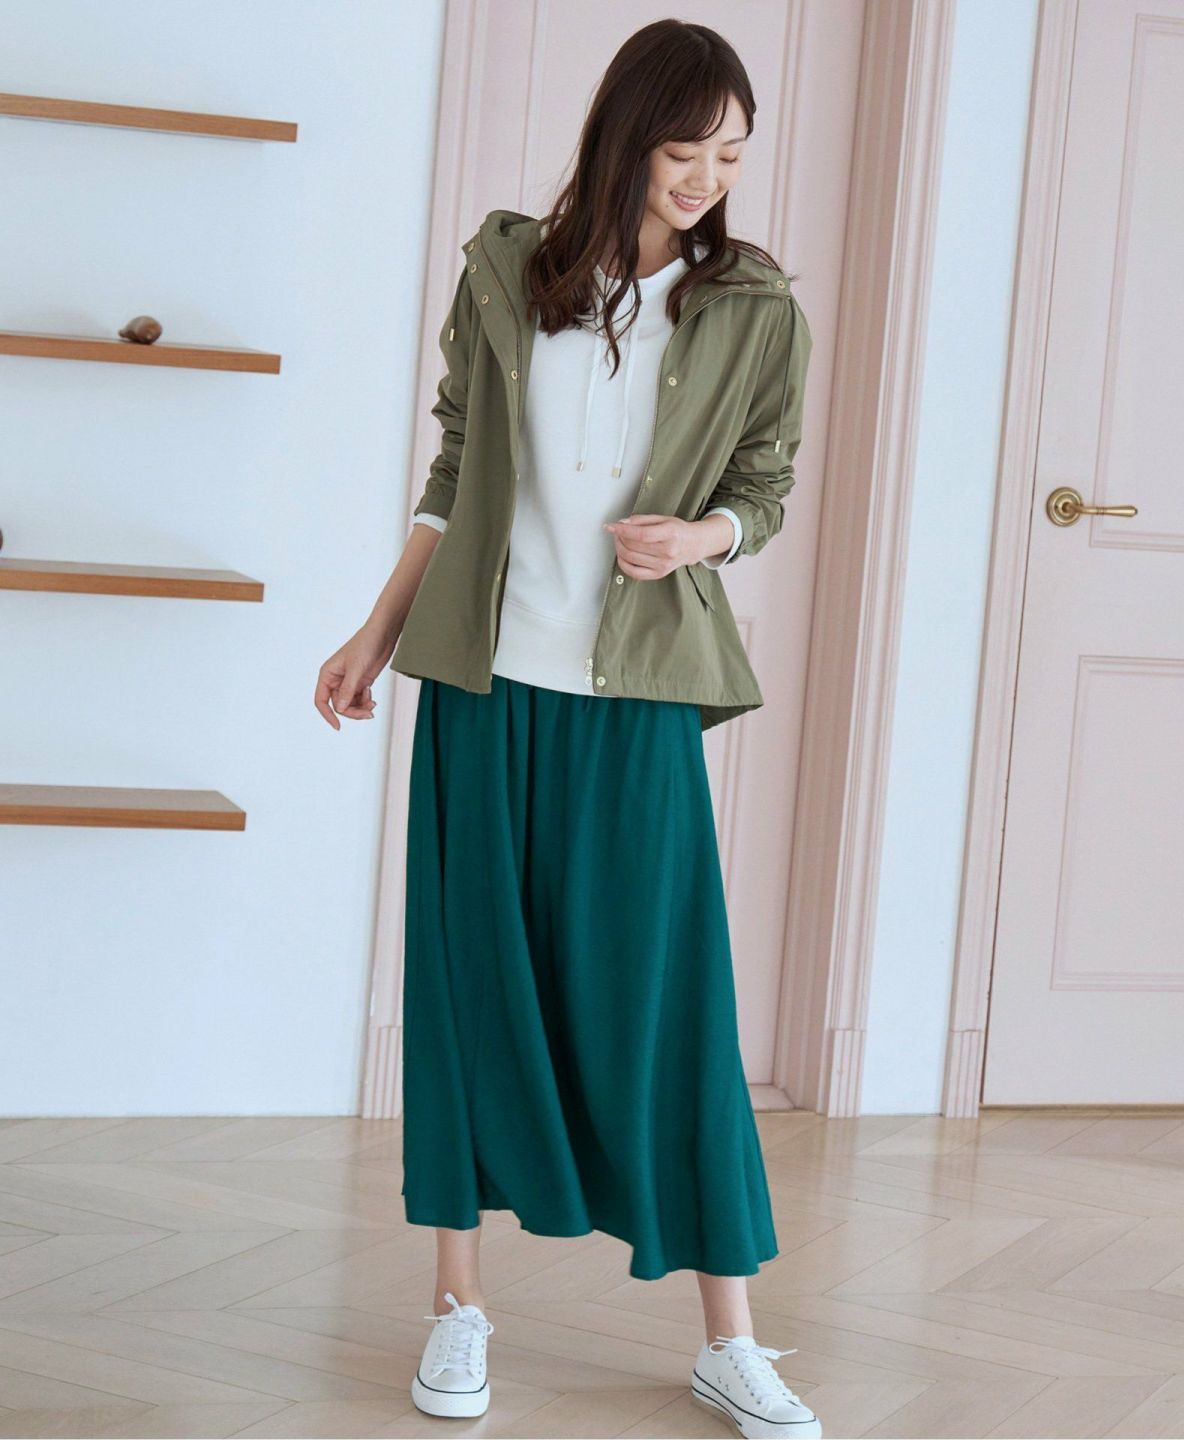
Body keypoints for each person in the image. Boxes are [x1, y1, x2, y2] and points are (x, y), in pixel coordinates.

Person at [316, 19, 819, 1440]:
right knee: (470, 991)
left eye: (731, 156)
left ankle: (730, 1339)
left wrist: (703, 536)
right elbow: (456, 467)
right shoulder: (507, 271)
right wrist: (375, 633)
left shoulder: (755, 307)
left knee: (670, 1005)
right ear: (624, 138)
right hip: (483, 689)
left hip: (636, 694)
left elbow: (767, 484)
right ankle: (457, 1309)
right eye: (684, 150)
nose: (706, 179)